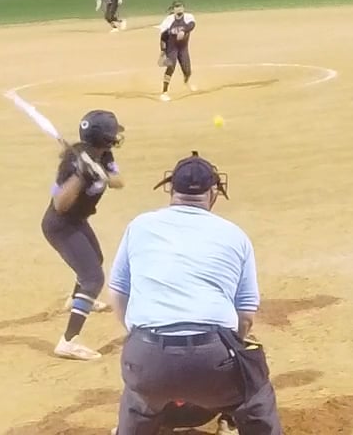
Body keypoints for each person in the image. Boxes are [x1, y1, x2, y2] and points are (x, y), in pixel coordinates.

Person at [108, 152, 277, 435]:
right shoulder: (235, 235)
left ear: (171, 189)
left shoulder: (139, 226)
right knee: (254, 392)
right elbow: (245, 317)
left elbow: (117, 292)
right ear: (213, 192)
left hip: (146, 357)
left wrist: (141, 336)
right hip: (213, 360)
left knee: (138, 400)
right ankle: (232, 421)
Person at [44, 109, 126, 361]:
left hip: (77, 221)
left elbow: (119, 181)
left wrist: (102, 174)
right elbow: (60, 204)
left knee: (96, 259)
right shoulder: (73, 163)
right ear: (104, 137)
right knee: (93, 279)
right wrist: (80, 176)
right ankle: (69, 342)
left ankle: (74, 299)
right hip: (60, 225)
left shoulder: (103, 156)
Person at [158, 2, 198, 101]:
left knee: (187, 71)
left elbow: (192, 25)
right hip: (172, 47)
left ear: (184, 8)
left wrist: (183, 31)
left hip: (183, 48)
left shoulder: (188, 17)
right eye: (176, 7)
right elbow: (163, 37)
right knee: (171, 67)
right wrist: (163, 51)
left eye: (180, 6)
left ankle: (186, 81)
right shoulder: (168, 20)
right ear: (173, 9)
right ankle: (164, 92)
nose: (179, 8)